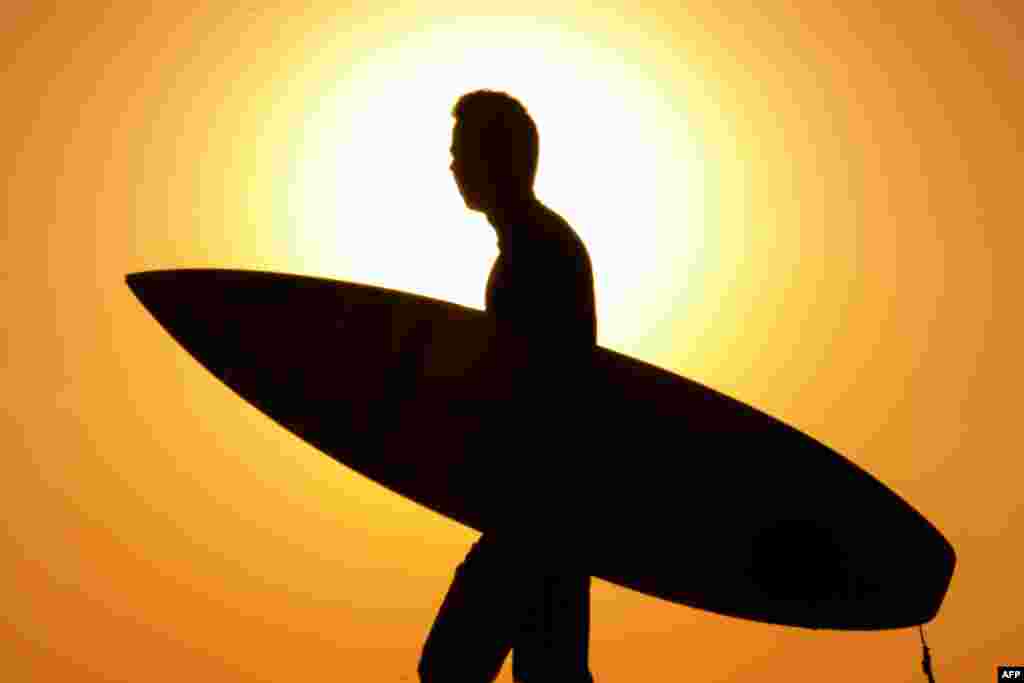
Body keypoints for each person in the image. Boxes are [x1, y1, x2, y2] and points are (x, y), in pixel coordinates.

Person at [417, 90, 597, 683]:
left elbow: (543, 387)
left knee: (452, 667)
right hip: (551, 512)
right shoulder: (532, 246)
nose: (451, 166)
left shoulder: (539, 253)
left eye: (461, 151)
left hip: (538, 513)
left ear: (497, 157)